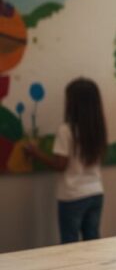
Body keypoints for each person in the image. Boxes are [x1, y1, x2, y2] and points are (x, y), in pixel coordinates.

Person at [24, 78, 108, 244]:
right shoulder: (98, 127)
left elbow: (60, 165)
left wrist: (36, 153)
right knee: (94, 243)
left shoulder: (66, 129)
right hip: (96, 192)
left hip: (72, 195)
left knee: (69, 245)